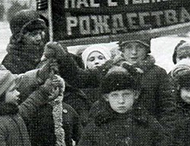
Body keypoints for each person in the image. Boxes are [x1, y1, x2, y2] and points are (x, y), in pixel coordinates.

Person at [47, 33, 177, 130]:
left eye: (139, 47)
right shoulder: (108, 69)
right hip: (112, 134)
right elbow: (80, 79)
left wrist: (163, 139)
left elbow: (168, 111)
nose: (134, 52)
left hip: (147, 136)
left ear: (147, 50)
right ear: (121, 49)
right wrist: (63, 58)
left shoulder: (158, 74)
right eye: (128, 47)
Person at [2, 10, 48, 74]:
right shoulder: (11, 63)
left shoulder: (45, 55)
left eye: (41, 33)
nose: (39, 38)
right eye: (33, 34)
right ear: (19, 37)